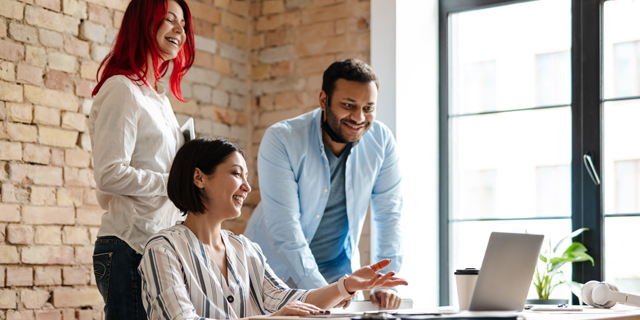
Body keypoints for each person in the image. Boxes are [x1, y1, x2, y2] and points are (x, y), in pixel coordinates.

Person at [138, 137, 408, 320]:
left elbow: (288, 301)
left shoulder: (244, 249)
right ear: (199, 177)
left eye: (247, 177)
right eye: (235, 174)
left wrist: (346, 285)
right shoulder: (163, 249)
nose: (247, 187)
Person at [244, 59, 404, 309]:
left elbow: (389, 214)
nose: (359, 117)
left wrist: (385, 281)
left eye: (368, 108)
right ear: (323, 100)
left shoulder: (382, 141)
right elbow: (286, 231)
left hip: (337, 273)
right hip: (274, 274)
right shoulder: (282, 139)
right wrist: (326, 295)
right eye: (349, 105)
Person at [88, 0, 194, 318]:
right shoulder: (122, 89)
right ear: (143, 23)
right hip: (127, 247)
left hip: (158, 246)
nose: (180, 30)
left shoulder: (158, 99)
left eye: (184, 25)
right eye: (169, 20)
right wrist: (174, 184)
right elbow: (109, 173)